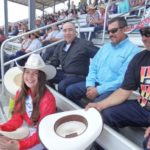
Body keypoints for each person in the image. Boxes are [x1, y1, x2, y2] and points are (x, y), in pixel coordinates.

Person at [85, 25, 150, 150]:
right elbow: (124, 90)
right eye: (142, 33)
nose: (143, 38)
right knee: (103, 114)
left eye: (148, 33)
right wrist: (100, 105)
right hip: (144, 106)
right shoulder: (140, 58)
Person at [66, 17, 140, 107]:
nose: (110, 34)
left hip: (113, 89)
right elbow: (93, 66)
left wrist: (98, 90)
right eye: (108, 32)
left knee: (97, 104)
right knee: (69, 91)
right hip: (96, 83)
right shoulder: (105, 47)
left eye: (114, 31)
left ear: (125, 29)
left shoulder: (133, 51)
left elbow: (122, 80)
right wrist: (90, 85)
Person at [0, 53, 56, 150]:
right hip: (28, 130)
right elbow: (17, 118)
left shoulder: (48, 99)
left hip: (42, 136)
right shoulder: (21, 92)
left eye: (35, 73)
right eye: (27, 72)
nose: (30, 76)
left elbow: (42, 131)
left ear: (41, 77)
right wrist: (2, 128)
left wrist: (19, 145)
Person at [48, 22, 99, 96]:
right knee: (44, 76)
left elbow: (100, 56)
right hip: (64, 73)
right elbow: (54, 61)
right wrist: (46, 69)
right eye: (65, 30)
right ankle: (52, 98)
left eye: (70, 30)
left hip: (79, 76)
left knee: (62, 85)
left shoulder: (84, 44)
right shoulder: (61, 45)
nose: (67, 33)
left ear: (75, 32)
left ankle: (66, 106)